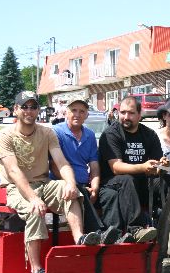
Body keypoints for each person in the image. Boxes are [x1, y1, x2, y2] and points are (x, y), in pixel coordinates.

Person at [0, 91, 105, 273]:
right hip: (16, 187)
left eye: (33, 107)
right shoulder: (4, 135)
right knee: (34, 209)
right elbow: (13, 170)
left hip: (44, 182)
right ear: (16, 109)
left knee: (70, 190)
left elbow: (61, 163)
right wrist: (33, 198)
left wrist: (71, 184)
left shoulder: (46, 132)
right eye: (25, 106)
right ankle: (37, 271)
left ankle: (79, 239)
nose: (29, 111)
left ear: (39, 110)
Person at [98, 95, 168, 241]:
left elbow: (155, 166)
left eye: (130, 113)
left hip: (141, 183)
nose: (125, 117)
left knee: (167, 180)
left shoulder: (149, 134)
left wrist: (161, 165)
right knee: (127, 179)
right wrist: (143, 167)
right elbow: (116, 167)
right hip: (112, 182)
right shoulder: (110, 134)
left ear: (139, 114)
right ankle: (136, 229)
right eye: (122, 113)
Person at [51, 99, 119, 242]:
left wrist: (95, 186)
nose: (78, 114)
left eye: (82, 111)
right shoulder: (56, 132)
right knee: (81, 192)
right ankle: (98, 232)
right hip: (62, 183)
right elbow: (54, 165)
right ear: (66, 113)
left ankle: (117, 233)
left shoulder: (89, 135)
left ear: (87, 115)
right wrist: (72, 184)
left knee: (111, 194)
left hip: (84, 184)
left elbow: (94, 164)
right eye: (74, 110)